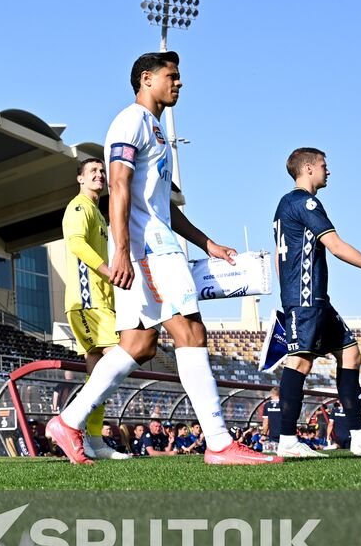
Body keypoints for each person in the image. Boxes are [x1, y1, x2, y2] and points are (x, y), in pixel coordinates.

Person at [49, 51, 278, 466]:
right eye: (172, 76)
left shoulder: (153, 129)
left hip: (154, 245)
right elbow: (118, 188)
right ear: (146, 79)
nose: (179, 83)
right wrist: (121, 250)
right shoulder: (130, 122)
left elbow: (163, 206)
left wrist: (208, 244)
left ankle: (69, 421)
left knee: (139, 345)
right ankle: (220, 442)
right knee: (191, 332)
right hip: (149, 250)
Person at [267, 147, 361, 458]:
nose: (328, 171)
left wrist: (286, 293)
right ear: (308, 169)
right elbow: (337, 246)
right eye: (323, 166)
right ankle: (287, 440)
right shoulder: (306, 202)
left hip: (311, 298)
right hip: (306, 298)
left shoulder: (284, 205)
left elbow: (279, 257)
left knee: (350, 353)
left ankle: (360, 436)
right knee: (300, 362)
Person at [56, 156, 130, 462]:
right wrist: (107, 269)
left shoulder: (98, 213)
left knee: (100, 373)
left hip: (100, 302)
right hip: (87, 302)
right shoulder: (79, 207)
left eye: (102, 170)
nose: (100, 175)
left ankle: (93, 440)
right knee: (119, 359)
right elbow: (75, 243)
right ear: (80, 179)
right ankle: (71, 425)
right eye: (93, 172)